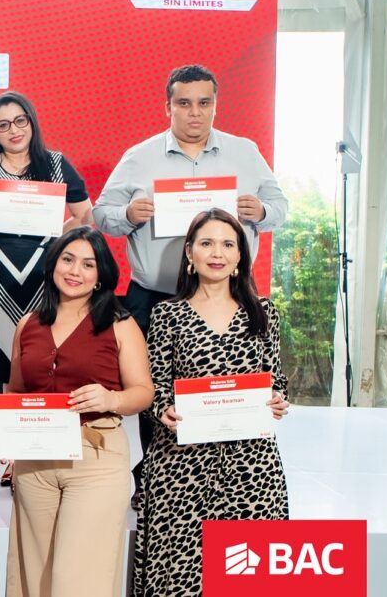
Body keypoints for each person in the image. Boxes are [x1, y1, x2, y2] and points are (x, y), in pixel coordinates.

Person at [92, 64, 288, 502]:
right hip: (155, 296)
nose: (194, 112)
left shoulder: (245, 152)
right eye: (184, 103)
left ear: (216, 105)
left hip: (228, 296)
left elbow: (280, 207)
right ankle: (157, 480)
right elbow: (102, 214)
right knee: (154, 392)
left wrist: (261, 211)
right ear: (168, 107)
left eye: (204, 103)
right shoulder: (139, 156)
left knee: (227, 389)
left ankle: (230, 484)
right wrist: (127, 215)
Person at [133, 209, 290, 596]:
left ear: (240, 256)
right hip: (181, 465)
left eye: (227, 244)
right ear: (190, 252)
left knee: (245, 578)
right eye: (206, 243)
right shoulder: (166, 314)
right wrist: (163, 408)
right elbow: (153, 385)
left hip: (251, 464)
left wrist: (277, 399)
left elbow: (275, 377)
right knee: (180, 577)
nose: (217, 253)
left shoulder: (264, 312)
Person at [5, 227, 153, 597]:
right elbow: (18, 391)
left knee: (78, 582)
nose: (75, 271)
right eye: (67, 260)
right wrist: (10, 438)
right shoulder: (28, 324)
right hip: (35, 462)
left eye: (88, 264)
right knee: (34, 578)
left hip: (96, 459)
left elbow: (143, 392)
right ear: (53, 265)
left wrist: (111, 399)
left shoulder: (120, 324)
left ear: (100, 275)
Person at [0, 91, 93, 394]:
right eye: (3, 125)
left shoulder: (55, 163)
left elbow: (85, 215)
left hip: (46, 274)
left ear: (31, 122)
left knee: (44, 352)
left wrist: (57, 239)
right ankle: (7, 419)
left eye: (20, 121)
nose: (13, 130)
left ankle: (44, 416)